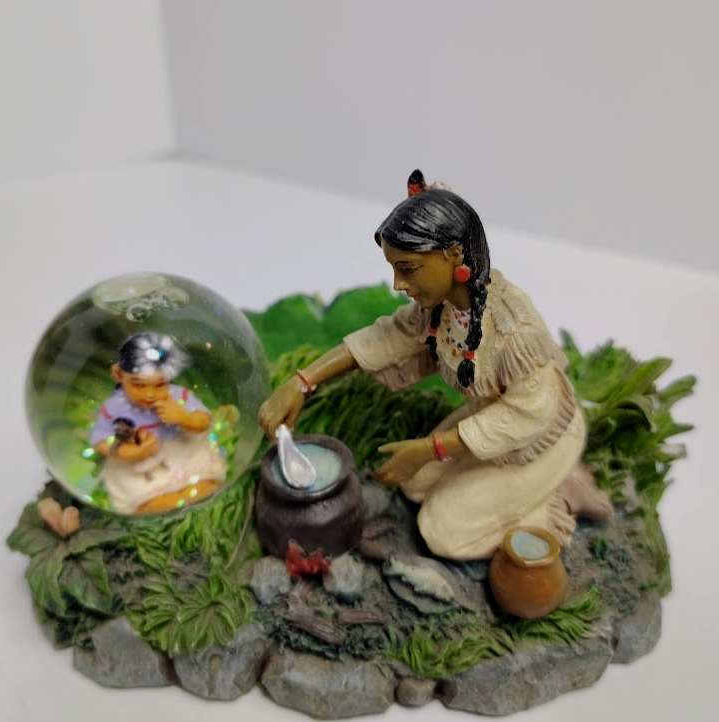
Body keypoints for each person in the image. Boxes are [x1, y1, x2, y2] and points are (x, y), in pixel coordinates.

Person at [258, 173, 611, 561]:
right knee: (416, 485)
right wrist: (301, 382)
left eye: (408, 269)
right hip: (488, 421)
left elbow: (528, 414)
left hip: (541, 438)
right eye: (394, 269)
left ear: (454, 256)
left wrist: (430, 448)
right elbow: (386, 338)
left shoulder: (513, 328)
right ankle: (512, 490)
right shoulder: (439, 309)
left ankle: (557, 496)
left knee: (441, 532)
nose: (397, 284)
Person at [90, 332, 226, 514]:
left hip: (180, 449)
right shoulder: (115, 407)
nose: (149, 394)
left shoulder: (178, 396)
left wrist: (185, 418)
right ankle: (163, 504)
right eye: (138, 384)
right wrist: (132, 452)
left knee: (204, 484)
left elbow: (204, 421)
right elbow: (101, 441)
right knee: (150, 502)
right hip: (136, 463)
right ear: (119, 374)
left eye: (160, 384)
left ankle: (192, 497)